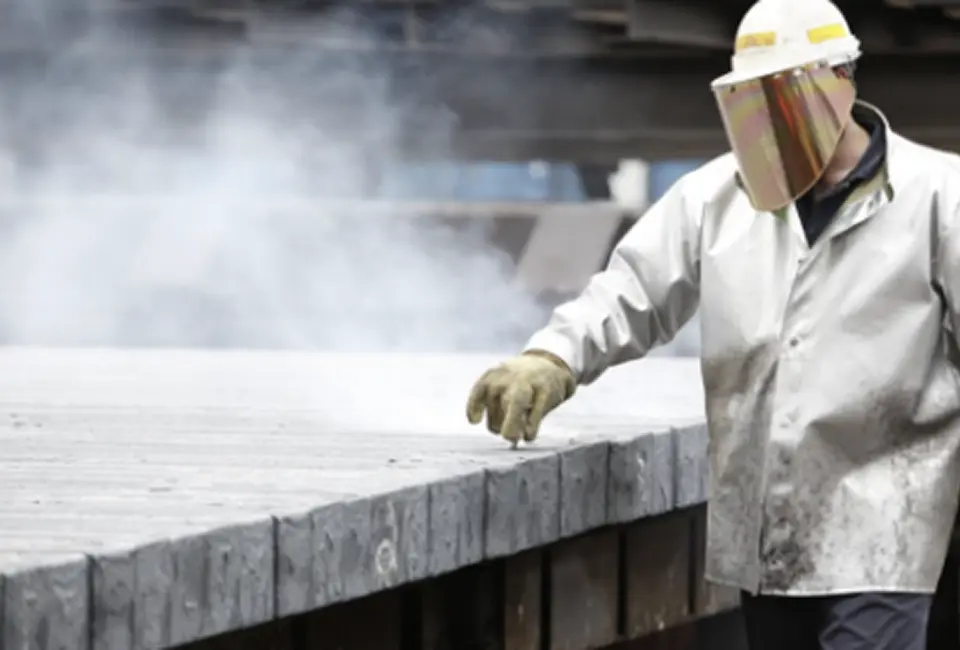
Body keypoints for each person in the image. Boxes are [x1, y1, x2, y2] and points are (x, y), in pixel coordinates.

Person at [464, 0, 960, 648]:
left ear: (842, 80)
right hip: (763, 531)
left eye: (785, 100)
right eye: (756, 106)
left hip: (886, 521)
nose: (772, 127)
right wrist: (552, 358)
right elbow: (630, 291)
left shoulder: (937, 197)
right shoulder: (714, 199)